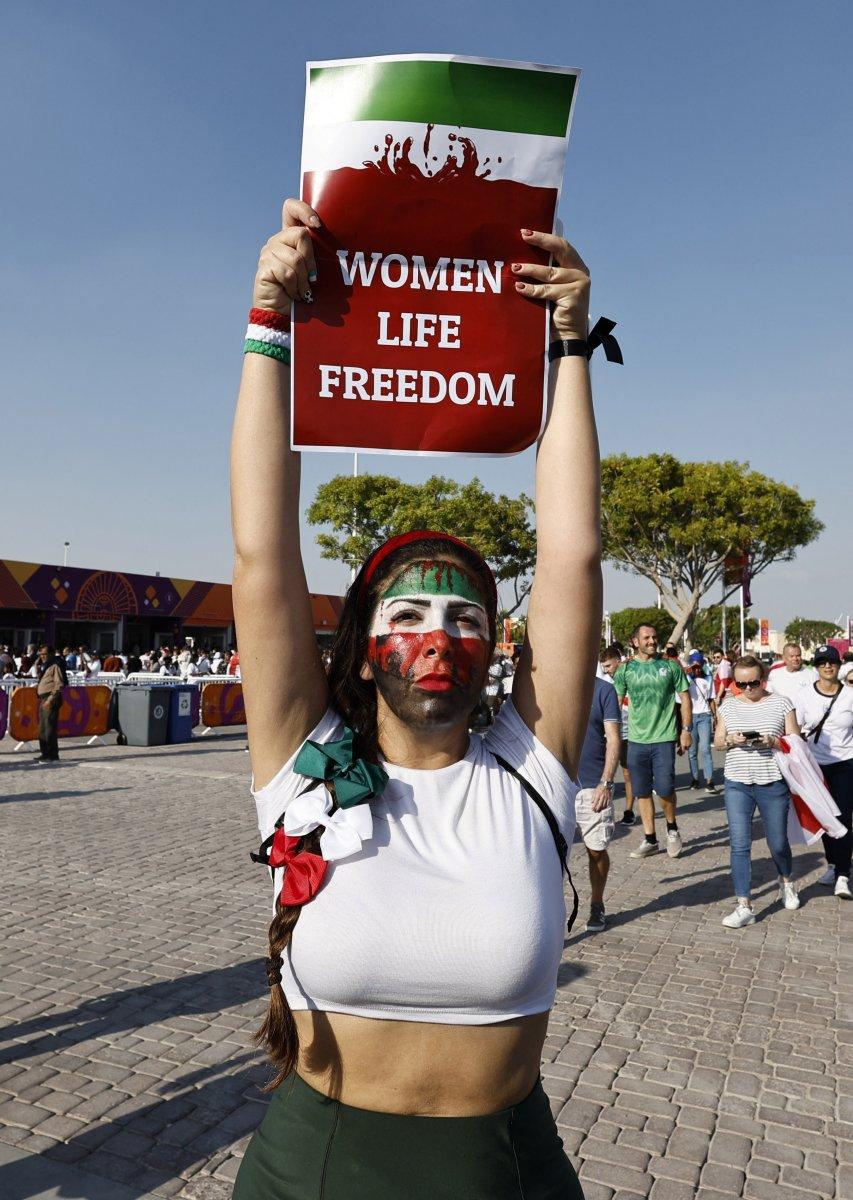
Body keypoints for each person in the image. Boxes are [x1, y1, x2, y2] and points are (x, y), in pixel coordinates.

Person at [230, 197, 600, 1200]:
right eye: (407, 614)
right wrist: (272, 319)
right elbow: (263, 556)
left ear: (496, 651)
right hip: (312, 1170)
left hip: (503, 1170)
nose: (438, 635)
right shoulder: (302, 766)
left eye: (466, 616)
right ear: (358, 652)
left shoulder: (535, 764)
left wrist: (570, 347)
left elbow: (571, 555)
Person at [713, 655, 800, 927]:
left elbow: (795, 741)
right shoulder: (728, 705)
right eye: (742, 684)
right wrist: (730, 739)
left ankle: (786, 881)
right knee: (739, 844)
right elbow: (717, 742)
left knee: (777, 842)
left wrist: (773, 740)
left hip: (773, 782)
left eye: (754, 682)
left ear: (763, 679)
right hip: (737, 782)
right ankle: (744, 905)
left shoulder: (782, 703)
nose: (748, 688)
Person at [613, 624, 692, 859]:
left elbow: (685, 698)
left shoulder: (669, 666)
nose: (652, 641)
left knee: (666, 788)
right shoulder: (624, 670)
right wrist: (612, 733)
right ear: (635, 641)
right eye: (646, 637)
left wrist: (686, 730)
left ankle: (672, 828)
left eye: (654, 637)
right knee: (642, 791)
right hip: (636, 739)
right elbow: (616, 703)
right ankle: (650, 838)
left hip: (664, 738)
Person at [795, 645, 853, 899]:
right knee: (825, 817)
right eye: (821, 663)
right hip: (815, 765)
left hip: (846, 763)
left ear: (839, 666)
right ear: (816, 667)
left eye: (831, 662)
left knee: (843, 818)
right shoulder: (804, 695)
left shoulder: (850, 695)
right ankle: (831, 864)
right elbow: (794, 729)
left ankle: (843, 874)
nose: (827, 667)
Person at [576, 676, 621, 932]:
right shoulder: (553, 687)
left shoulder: (604, 690)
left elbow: (613, 739)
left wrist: (606, 783)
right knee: (552, 856)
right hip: (557, 786)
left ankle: (597, 903)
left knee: (596, 850)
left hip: (593, 786)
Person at [600, 643, 635, 824]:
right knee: (607, 772)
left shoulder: (633, 677)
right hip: (611, 734)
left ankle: (629, 811)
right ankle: (604, 809)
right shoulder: (607, 683)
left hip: (633, 734)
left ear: (618, 662)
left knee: (628, 773)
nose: (606, 671)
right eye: (603, 667)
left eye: (608, 666)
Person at [686, 651, 717, 792]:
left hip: (704, 716)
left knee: (705, 749)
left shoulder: (708, 679)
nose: (697, 669)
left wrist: (715, 717)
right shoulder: (686, 679)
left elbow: (711, 699)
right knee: (692, 751)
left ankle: (709, 780)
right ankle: (694, 779)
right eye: (694, 667)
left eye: (699, 666)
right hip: (690, 717)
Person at [33, 645, 68, 764]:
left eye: (44, 654)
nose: (42, 656)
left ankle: (52, 755)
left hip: (50, 698)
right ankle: (45, 753)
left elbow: (59, 684)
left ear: (52, 654)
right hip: (44, 698)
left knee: (49, 728)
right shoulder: (45, 666)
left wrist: (51, 699)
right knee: (42, 728)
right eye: (40, 654)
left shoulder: (55, 665)